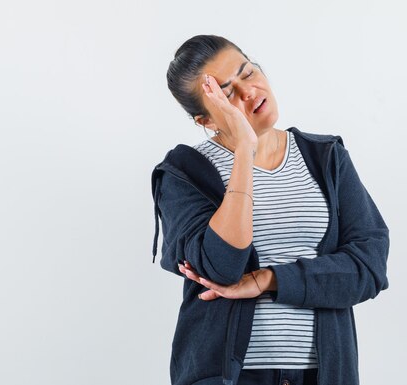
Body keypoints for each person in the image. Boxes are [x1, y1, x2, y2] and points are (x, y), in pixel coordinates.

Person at [151, 34, 390, 385]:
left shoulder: (325, 158)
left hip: (324, 374)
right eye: (227, 93)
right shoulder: (184, 173)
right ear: (206, 120)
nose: (248, 92)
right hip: (229, 376)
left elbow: (368, 267)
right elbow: (222, 266)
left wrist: (269, 279)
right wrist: (245, 150)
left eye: (247, 73)